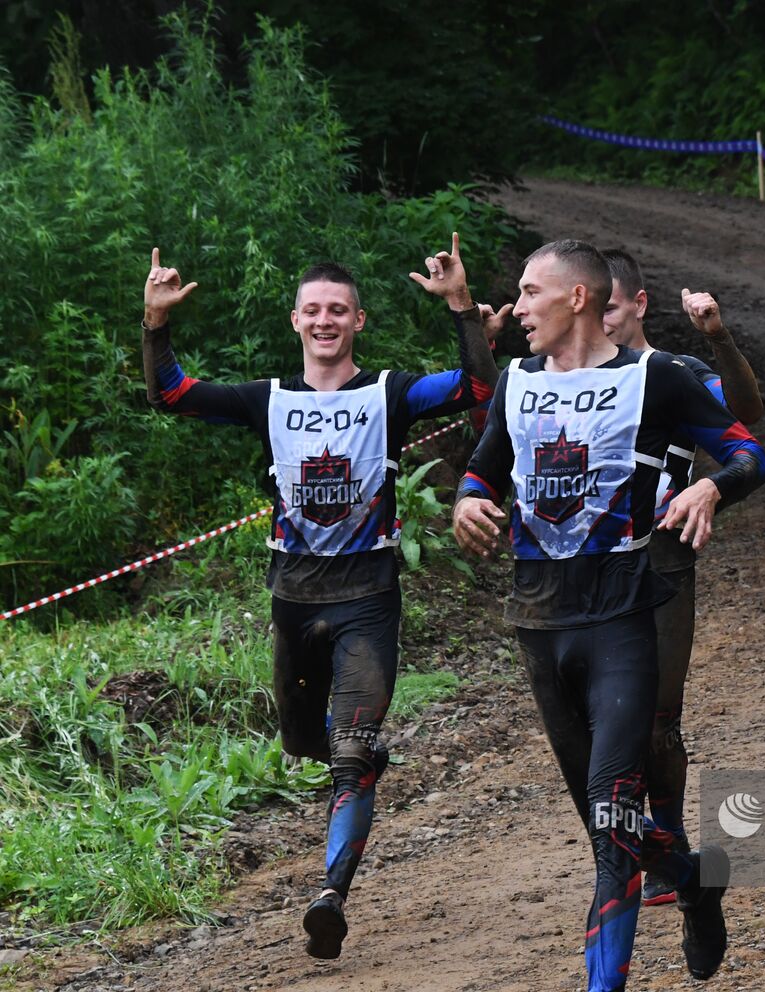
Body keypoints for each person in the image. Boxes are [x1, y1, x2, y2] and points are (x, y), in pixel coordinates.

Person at [141, 235, 501, 960]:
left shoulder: (390, 393)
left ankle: (331, 894)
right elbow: (171, 394)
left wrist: (461, 306)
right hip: (293, 599)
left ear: (359, 322)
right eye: (315, 310)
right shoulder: (265, 399)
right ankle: (355, 769)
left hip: (368, 595)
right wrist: (155, 322)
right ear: (296, 322)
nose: (327, 319)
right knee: (306, 743)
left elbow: (475, 390)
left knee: (351, 750)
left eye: (340, 309)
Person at [452, 239, 765, 992]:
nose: (519, 307)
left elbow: (750, 451)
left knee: (608, 835)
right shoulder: (517, 382)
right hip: (537, 622)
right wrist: (468, 500)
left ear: (579, 300)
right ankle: (694, 880)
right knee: (614, 827)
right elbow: (482, 465)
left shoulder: (654, 377)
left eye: (531, 293)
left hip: (623, 617)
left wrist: (712, 488)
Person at [599, 248, 763, 907]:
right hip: (589, 569)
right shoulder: (562, 377)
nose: (599, 320)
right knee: (604, 729)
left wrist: (718, 337)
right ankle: (639, 855)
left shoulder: (676, 373)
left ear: (638, 306)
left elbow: (746, 415)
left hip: (663, 559)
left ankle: (666, 849)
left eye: (610, 307)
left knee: (659, 721)